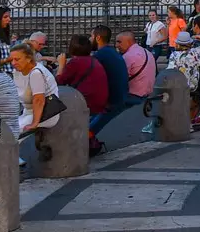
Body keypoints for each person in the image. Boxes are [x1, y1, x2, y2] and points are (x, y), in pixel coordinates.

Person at [87, 25, 130, 153]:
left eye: (91, 36)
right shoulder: (111, 52)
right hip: (119, 95)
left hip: (110, 101)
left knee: (88, 126)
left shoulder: (100, 55)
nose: (90, 39)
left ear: (98, 38)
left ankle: (83, 142)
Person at [56, 34, 108, 132]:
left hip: (86, 103)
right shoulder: (93, 60)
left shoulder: (75, 62)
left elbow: (58, 82)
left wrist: (61, 65)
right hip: (99, 101)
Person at [7, 41, 59, 137]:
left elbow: (39, 100)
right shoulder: (17, 72)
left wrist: (34, 123)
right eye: (11, 60)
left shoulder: (36, 73)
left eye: (17, 59)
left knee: (11, 133)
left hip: (45, 114)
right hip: (28, 112)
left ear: (28, 59)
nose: (13, 63)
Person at [118, 29, 156, 134]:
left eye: (119, 42)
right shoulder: (146, 52)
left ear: (129, 42)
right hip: (148, 92)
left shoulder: (128, 56)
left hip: (134, 95)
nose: (117, 45)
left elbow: (120, 78)